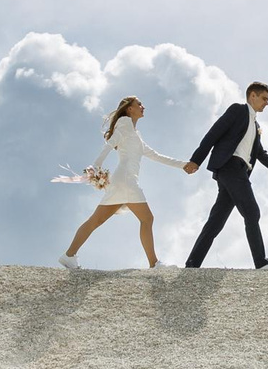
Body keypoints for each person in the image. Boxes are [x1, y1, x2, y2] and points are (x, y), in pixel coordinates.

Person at [61, 96, 197, 270]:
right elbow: (109, 144)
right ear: (129, 109)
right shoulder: (124, 125)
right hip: (126, 181)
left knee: (96, 220)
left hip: (121, 181)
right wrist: (95, 166)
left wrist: (183, 165)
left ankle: (69, 256)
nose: (143, 106)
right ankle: (154, 264)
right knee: (147, 218)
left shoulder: (134, 134)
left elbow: (156, 156)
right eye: (139, 104)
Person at [184, 80, 268, 269]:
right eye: (264, 98)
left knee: (216, 221)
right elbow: (213, 134)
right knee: (252, 212)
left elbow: (260, 153)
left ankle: (192, 264)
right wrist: (196, 160)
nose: (267, 103)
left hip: (238, 171)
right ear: (253, 95)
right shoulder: (237, 110)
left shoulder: (255, 125)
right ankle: (261, 262)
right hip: (230, 166)